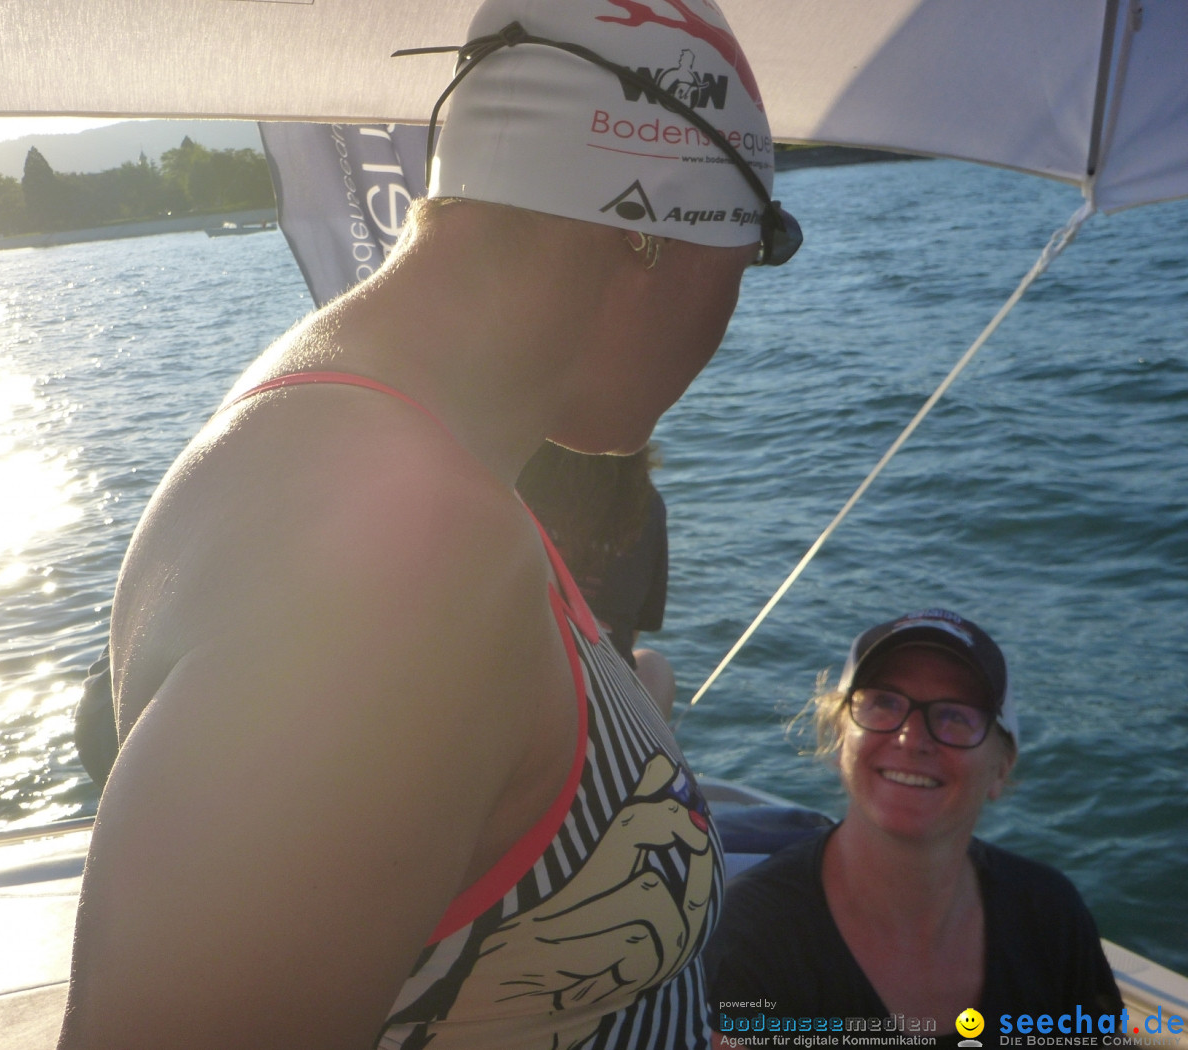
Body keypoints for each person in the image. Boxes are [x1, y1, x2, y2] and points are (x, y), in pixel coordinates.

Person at [58, 0, 800, 1045]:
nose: (741, 297)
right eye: (764, 240)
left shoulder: (370, 450)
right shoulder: (409, 566)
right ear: (646, 235)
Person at [708, 609, 1123, 1045]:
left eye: (955, 715)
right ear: (837, 738)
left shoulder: (1050, 915)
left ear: (1001, 767)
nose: (912, 738)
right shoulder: (754, 932)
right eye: (884, 702)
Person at [516, 440, 677, 715]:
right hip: (602, 710)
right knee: (655, 667)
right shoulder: (648, 506)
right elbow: (630, 629)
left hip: (521, 691)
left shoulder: (517, 486)